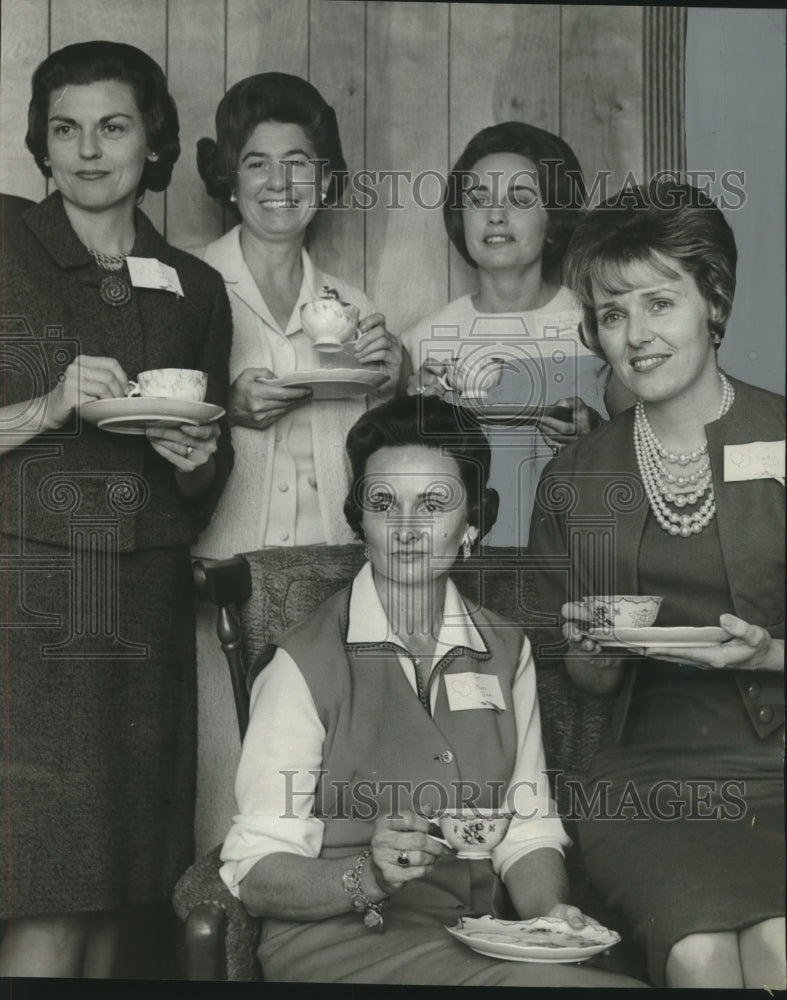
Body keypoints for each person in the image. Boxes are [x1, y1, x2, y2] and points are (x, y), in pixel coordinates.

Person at [218, 395, 645, 987]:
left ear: (473, 520)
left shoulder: (505, 648)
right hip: (340, 945)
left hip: (479, 939)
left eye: (434, 503)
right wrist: (369, 874)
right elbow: (254, 870)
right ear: (359, 519)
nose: (407, 528)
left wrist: (549, 918)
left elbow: (525, 827)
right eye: (383, 502)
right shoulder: (302, 662)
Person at [0, 41, 233, 977]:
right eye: (66, 129)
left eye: (113, 127)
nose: (89, 151)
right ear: (41, 145)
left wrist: (195, 457)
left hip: (146, 600)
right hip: (31, 597)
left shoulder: (196, 285)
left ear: (153, 141)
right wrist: (50, 406)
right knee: (48, 884)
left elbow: (209, 470)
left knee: (130, 887)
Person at [528, 181, 785, 988]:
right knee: (699, 954)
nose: (636, 335)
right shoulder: (578, 478)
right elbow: (584, 678)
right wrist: (592, 653)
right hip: (647, 779)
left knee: (779, 943)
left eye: (658, 303)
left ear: (712, 300)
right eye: (612, 314)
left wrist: (769, 654)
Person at [194, 72, 403, 556]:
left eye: (297, 163)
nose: (279, 182)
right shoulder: (188, 283)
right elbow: (150, 424)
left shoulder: (356, 305)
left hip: (336, 566)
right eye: (255, 163)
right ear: (230, 179)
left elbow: (381, 448)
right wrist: (226, 409)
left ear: (325, 181)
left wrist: (395, 383)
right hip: (217, 569)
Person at [403, 122, 624, 546]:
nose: (495, 214)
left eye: (519, 199)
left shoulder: (602, 325)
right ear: (460, 218)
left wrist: (593, 431)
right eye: (478, 199)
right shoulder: (422, 340)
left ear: (553, 220)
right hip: (462, 571)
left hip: (586, 558)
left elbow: (646, 441)